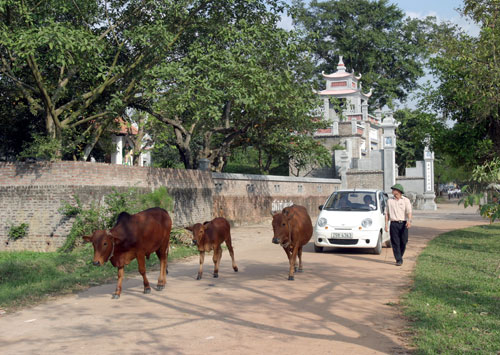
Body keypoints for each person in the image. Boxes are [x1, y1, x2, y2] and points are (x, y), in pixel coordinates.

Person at [385, 184, 412, 266]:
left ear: (398, 191)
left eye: (394, 189)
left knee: (404, 241)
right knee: (395, 242)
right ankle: (399, 259)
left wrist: (409, 221)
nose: (392, 191)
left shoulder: (405, 200)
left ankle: (399, 255)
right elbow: (387, 214)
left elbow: (409, 212)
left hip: (403, 223)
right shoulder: (389, 201)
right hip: (393, 224)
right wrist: (386, 224)